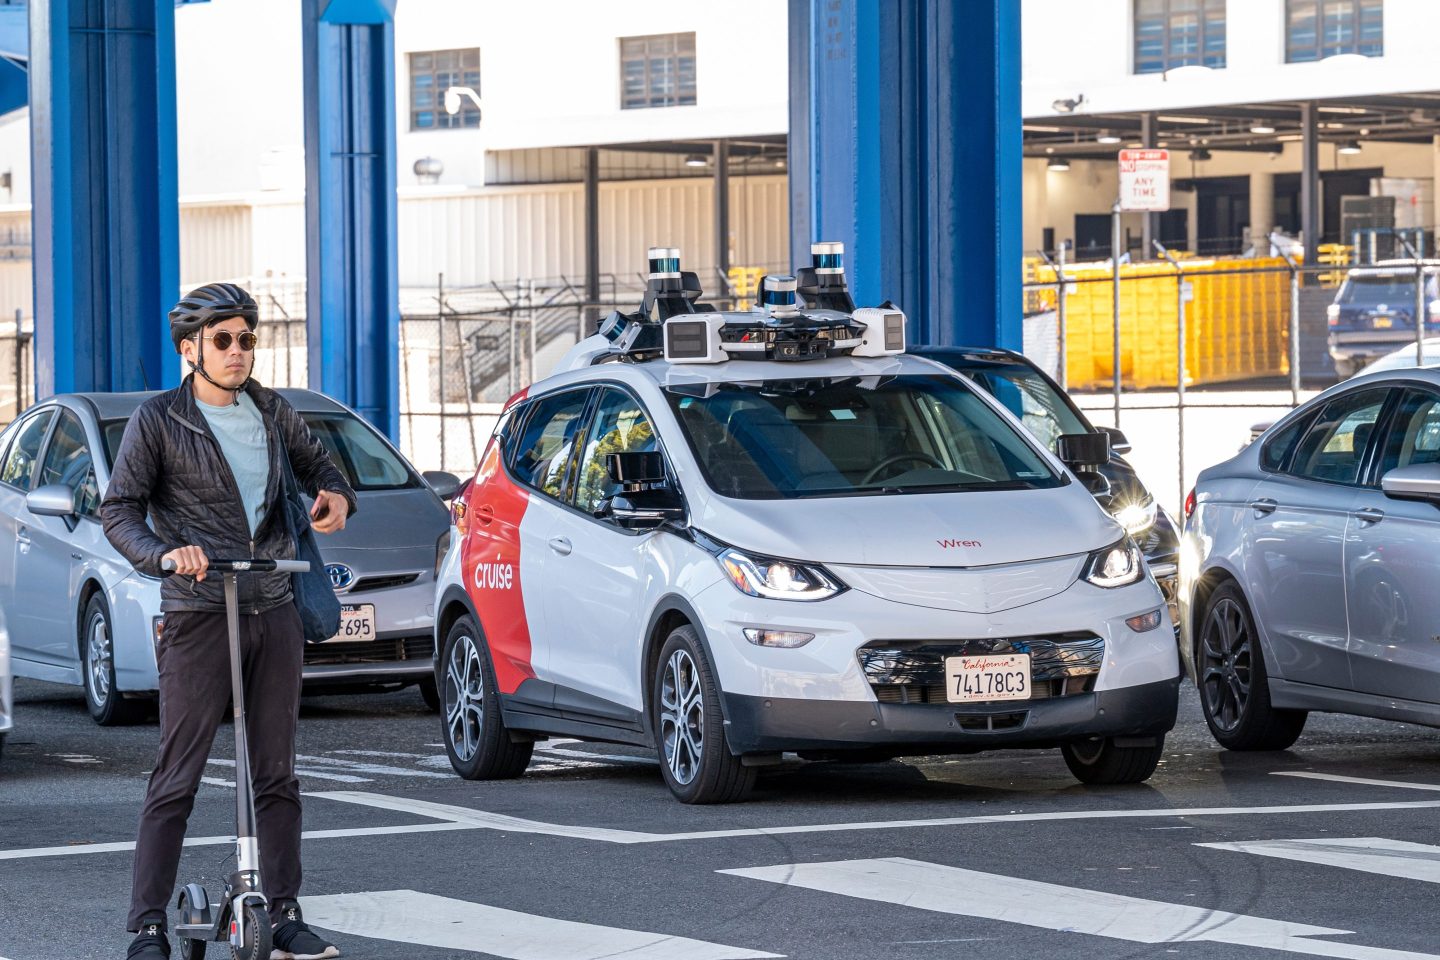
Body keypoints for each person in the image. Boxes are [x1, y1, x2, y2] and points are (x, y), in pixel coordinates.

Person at [101, 283, 358, 960]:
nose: (239, 351)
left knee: (276, 772)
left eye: (247, 338)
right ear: (191, 349)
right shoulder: (158, 420)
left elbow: (322, 467)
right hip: (197, 610)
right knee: (177, 773)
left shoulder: (272, 411)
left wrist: (335, 497)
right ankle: (148, 925)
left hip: (272, 605)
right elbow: (119, 510)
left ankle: (284, 915)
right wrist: (164, 554)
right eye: (223, 340)